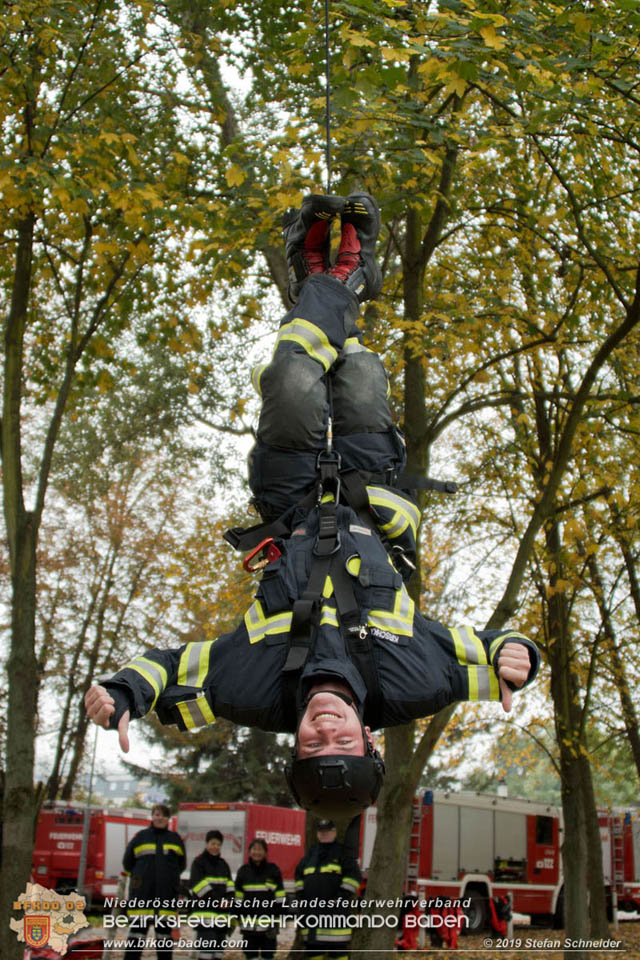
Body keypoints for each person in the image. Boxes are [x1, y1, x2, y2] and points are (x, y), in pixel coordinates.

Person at [84, 193, 540, 819]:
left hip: (292, 502)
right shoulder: (417, 682)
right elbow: (491, 657)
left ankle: (337, 280)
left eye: (313, 743)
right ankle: (336, 281)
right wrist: (518, 656)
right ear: (370, 740)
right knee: (361, 372)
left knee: (295, 381)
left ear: (292, 747)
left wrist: (122, 692)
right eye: (343, 739)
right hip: (372, 499)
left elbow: (171, 671)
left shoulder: (250, 690)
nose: (326, 727)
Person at [121, 803, 186, 960]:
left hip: (165, 897)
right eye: (157, 814)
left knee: (164, 940)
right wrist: (140, 878)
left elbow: (181, 865)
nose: (160, 818)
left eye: (163, 815)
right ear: (152, 816)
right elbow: (127, 862)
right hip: (142, 895)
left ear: (168, 819)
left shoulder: (175, 839)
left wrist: (169, 881)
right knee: (136, 937)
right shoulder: (140, 837)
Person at [294, 818, 361, 959]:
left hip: (335, 913)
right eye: (321, 831)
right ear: (317, 834)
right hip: (312, 914)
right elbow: (299, 875)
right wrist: (301, 898)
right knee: (313, 951)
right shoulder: (310, 855)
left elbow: (353, 877)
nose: (324, 834)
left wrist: (341, 897)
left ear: (334, 833)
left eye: (328, 831)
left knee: (338, 952)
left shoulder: (343, 853)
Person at [234, 837, 285, 960]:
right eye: (254, 849)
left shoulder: (273, 870)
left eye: (260, 849)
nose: (257, 852)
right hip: (249, 927)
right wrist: (236, 919)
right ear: (249, 852)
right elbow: (238, 900)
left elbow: (280, 898)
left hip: (268, 927)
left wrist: (277, 922)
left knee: (268, 956)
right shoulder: (243, 871)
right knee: (251, 956)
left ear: (265, 853)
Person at [188, 829, 234, 960]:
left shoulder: (224, 865)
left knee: (218, 953)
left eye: (218, 844)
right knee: (206, 952)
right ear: (207, 844)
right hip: (204, 916)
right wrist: (219, 900)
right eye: (213, 843)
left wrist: (229, 899)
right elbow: (199, 887)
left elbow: (230, 886)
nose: (215, 847)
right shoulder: (198, 863)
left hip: (221, 917)